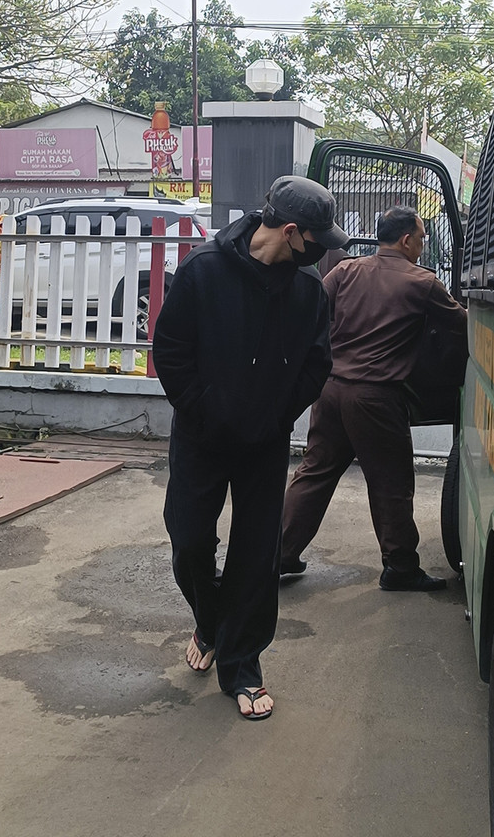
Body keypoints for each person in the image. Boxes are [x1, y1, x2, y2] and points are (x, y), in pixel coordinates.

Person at [152, 175, 347, 720]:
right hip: (201, 437)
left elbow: (317, 364)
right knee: (189, 540)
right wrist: (204, 410)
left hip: (263, 442)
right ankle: (210, 618)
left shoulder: (307, 292)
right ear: (290, 231)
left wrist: (275, 413)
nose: (322, 251)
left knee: (257, 556)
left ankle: (242, 665)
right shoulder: (203, 270)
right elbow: (169, 350)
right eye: (316, 239)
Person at [281, 204, 467, 592]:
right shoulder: (422, 283)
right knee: (391, 484)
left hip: (330, 392)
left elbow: (313, 311)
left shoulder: (345, 270)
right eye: (420, 237)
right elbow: (463, 328)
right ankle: (400, 566)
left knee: (314, 473)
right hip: (377, 398)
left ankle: (276, 556)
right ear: (406, 240)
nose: (421, 244)